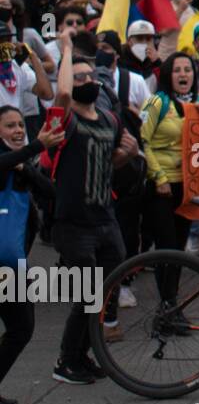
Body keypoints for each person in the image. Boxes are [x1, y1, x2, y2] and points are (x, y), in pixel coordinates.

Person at [46, 32, 138, 383]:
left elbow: (109, 162)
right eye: (78, 75)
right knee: (86, 296)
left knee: (103, 295)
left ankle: (83, 356)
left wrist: (127, 155)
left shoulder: (109, 120)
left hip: (106, 220)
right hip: (74, 225)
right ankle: (65, 362)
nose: (85, 81)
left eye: (90, 76)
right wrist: (67, 50)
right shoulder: (62, 121)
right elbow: (64, 93)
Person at [0, 107, 59, 404]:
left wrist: (28, 168)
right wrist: (34, 147)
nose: (18, 129)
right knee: (20, 327)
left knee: (21, 328)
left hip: (13, 266)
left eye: (21, 124)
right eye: (10, 126)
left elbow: (51, 192)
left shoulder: (20, 164)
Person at [140, 53, 199, 275]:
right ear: (168, 75)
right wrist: (159, 178)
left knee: (179, 247)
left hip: (188, 187)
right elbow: (142, 141)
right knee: (166, 247)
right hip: (162, 188)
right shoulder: (155, 103)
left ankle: (173, 301)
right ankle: (167, 301)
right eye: (177, 70)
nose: (183, 74)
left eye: (188, 70)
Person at [122, 20, 160, 90]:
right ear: (129, 41)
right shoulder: (119, 62)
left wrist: (157, 63)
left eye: (148, 39)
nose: (144, 42)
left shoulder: (156, 64)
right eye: (140, 39)